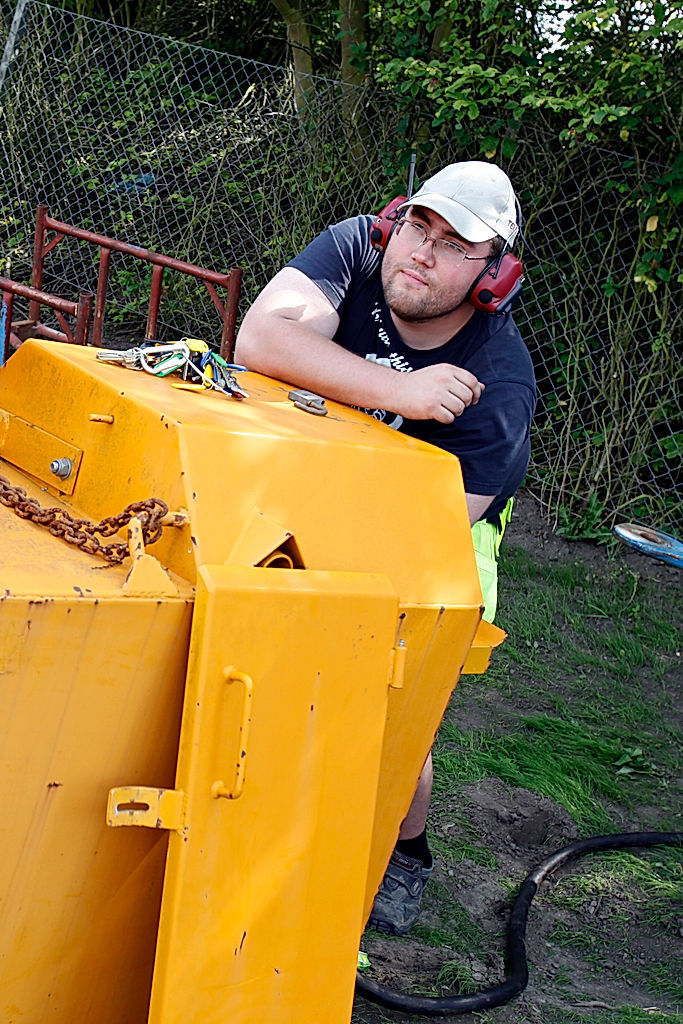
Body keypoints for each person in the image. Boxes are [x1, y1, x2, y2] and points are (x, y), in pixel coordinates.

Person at [235, 160, 536, 935]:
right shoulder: (351, 251)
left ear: (494, 275)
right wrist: (398, 391)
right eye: (417, 227)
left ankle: (407, 850)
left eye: (452, 245)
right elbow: (260, 338)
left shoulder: (499, 381)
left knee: (391, 713)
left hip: (441, 532)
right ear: (391, 223)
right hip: (308, 485)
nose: (420, 253)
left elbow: (432, 524)